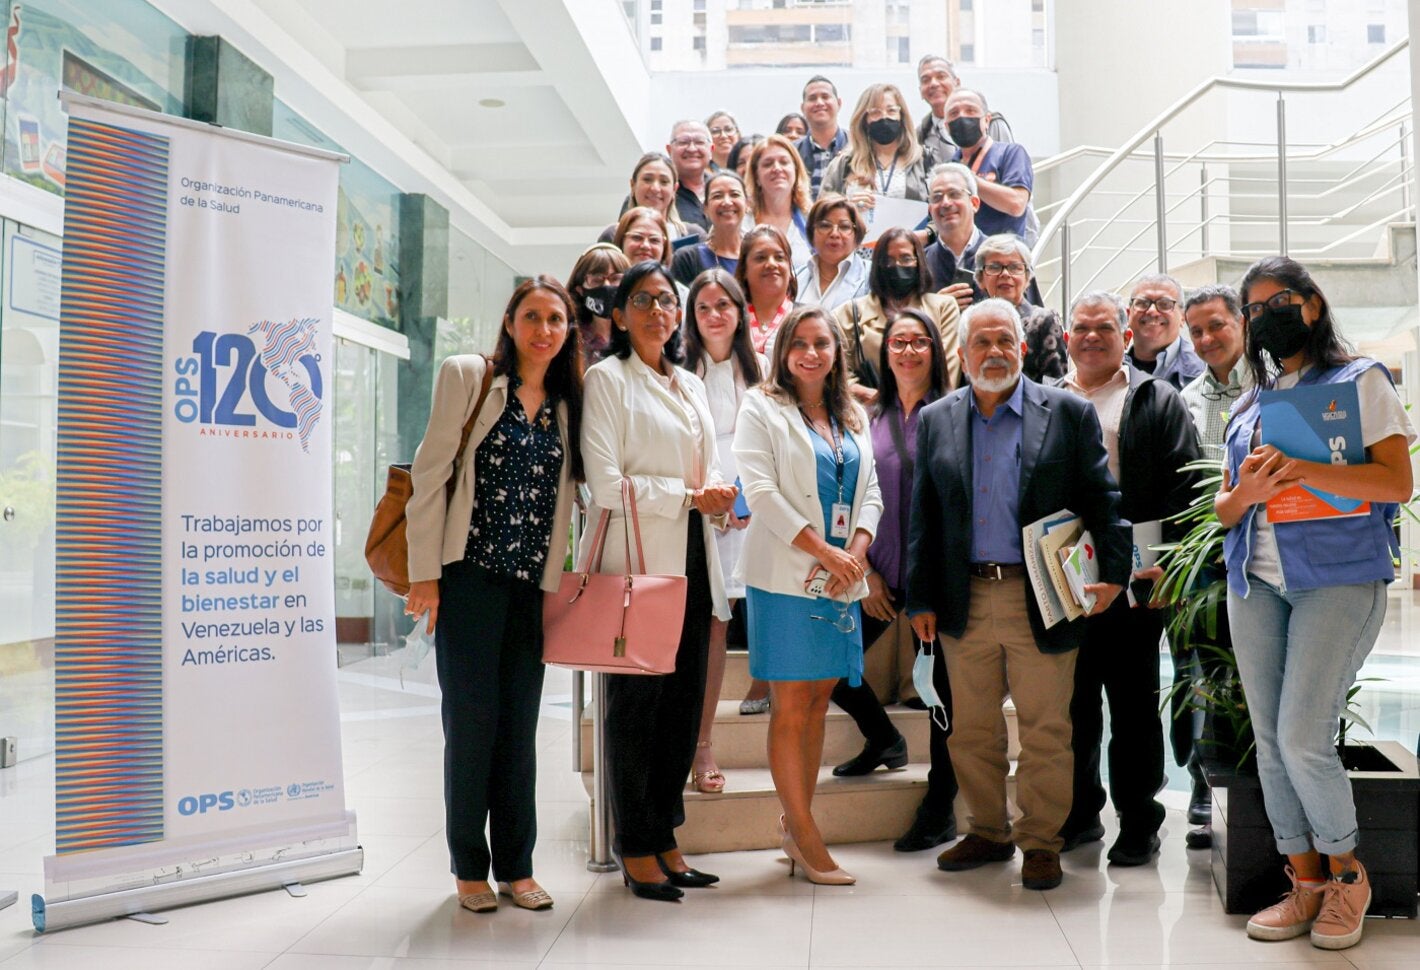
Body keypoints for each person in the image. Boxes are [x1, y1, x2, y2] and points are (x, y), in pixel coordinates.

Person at [1216, 256, 1414, 950]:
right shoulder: (1249, 405)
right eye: (1253, 307)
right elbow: (1223, 509)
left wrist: (1307, 469)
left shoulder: (1361, 380)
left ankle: (1346, 874)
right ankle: (1303, 883)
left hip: (1336, 580)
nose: (1265, 315)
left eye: (1280, 301)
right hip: (1257, 582)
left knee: (1303, 735)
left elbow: (1396, 483)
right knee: (1270, 741)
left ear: (1312, 304)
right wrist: (1245, 491)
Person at [907, 298, 1130, 891]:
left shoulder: (1068, 412)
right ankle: (986, 830)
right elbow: (923, 515)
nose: (994, 352)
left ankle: (1040, 842)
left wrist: (1114, 572)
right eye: (981, 342)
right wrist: (920, 598)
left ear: (1023, 348)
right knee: (972, 728)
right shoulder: (936, 419)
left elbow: (1102, 500)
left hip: (1045, 594)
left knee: (1046, 729)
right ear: (962, 353)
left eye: (1005, 340)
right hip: (964, 596)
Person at [405, 277, 585, 915]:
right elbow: (429, 476)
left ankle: (518, 866)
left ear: (569, 331)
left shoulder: (569, 401)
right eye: (531, 316)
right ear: (510, 323)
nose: (543, 329)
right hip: (468, 577)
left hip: (528, 588)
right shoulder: (469, 376)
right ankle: (468, 869)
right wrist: (423, 574)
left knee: (520, 730)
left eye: (555, 319)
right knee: (472, 725)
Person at [581, 260, 739, 902]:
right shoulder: (607, 380)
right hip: (639, 566)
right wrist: (687, 495)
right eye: (641, 300)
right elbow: (604, 484)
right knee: (635, 713)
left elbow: (707, 467)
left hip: (697, 560)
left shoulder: (691, 384)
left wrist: (718, 496)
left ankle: (666, 834)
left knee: (680, 710)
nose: (656, 311)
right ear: (619, 315)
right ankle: (634, 845)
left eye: (666, 301)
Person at [733, 305, 883, 885]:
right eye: (800, 342)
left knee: (819, 702)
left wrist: (859, 548)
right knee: (791, 706)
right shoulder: (761, 406)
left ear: (837, 351)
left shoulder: (852, 413)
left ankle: (796, 821)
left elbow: (871, 490)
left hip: (843, 576)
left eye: (822, 342)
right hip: (786, 577)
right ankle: (805, 836)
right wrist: (826, 552)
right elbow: (761, 492)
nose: (811, 353)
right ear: (783, 351)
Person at [1056, 290, 1202, 867]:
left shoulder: (1154, 398)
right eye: (1081, 327)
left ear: (1123, 335)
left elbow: (1186, 487)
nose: (1092, 337)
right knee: (1073, 702)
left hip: (1136, 574)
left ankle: (1139, 818)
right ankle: (1080, 812)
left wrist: (1166, 560)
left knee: (1133, 703)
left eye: (1103, 328)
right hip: (1064, 574)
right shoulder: (1046, 397)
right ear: (1067, 335)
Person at [831, 309, 962, 853]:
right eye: (898, 342)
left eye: (919, 342)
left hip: (939, 577)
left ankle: (941, 805)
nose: (908, 352)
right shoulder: (867, 418)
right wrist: (869, 574)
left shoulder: (957, 413)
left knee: (941, 698)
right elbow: (855, 498)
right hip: (879, 574)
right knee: (833, 668)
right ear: (884, 354)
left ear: (936, 350)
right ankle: (883, 738)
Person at [683, 269, 768, 793]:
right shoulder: (677, 372)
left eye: (724, 306)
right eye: (704, 307)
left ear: (740, 312)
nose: (715, 316)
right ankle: (700, 745)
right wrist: (714, 498)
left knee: (739, 619)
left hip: (753, 515)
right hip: (697, 513)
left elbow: (772, 445)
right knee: (707, 628)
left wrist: (748, 500)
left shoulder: (762, 373)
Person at [834, 226, 960, 402]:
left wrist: (913, 404)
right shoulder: (848, 313)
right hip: (869, 416)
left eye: (906, 258)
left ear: (919, 262)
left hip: (929, 412)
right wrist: (870, 396)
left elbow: (948, 373)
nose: (897, 266)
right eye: (888, 260)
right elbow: (836, 373)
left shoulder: (943, 307)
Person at [945, 89, 1033, 239]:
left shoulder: (1010, 153)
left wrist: (969, 179)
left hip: (1002, 255)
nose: (961, 117)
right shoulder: (949, 167)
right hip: (963, 256)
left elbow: (1016, 204)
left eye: (970, 110)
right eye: (954, 113)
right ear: (947, 127)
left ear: (986, 120)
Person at [821, 83, 928, 205]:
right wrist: (847, 208)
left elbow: (938, 213)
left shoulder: (923, 159)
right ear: (863, 119)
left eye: (891, 110)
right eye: (875, 112)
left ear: (902, 116)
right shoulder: (844, 163)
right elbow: (821, 213)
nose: (884, 117)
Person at [973, 233, 1060, 380]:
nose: (1005, 274)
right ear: (980, 278)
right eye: (995, 267)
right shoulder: (971, 321)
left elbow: (1056, 382)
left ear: (1027, 278)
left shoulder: (1044, 320)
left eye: (1015, 267)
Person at [914, 54, 1016, 169]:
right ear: (920, 91)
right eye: (926, 80)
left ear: (957, 83)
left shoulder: (991, 123)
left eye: (941, 76)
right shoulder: (918, 137)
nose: (934, 84)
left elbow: (1012, 173)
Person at [603, 152, 703, 246]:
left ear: (674, 189)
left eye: (664, 182)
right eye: (647, 179)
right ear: (633, 185)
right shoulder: (613, 234)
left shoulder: (693, 235)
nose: (655, 188)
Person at [1127, 274, 1206, 391]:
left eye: (1165, 304)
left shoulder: (1206, 372)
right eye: (1142, 303)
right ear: (1128, 314)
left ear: (1183, 317)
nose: (1152, 311)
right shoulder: (1110, 371)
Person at [923, 162, 985, 310]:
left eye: (954, 194)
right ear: (930, 210)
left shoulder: (1003, 257)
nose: (945, 203)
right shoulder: (919, 264)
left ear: (975, 203)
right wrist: (935, 309)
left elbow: (1029, 319)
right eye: (937, 197)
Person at [795, 193, 870, 311]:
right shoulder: (795, 277)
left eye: (844, 227)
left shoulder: (871, 276)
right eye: (825, 226)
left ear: (857, 234)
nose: (834, 234)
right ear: (811, 233)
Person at [747, 134, 814, 265]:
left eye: (784, 162)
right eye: (768, 164)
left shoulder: (813, 220)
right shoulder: (742, 223)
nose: (777, 169)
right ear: (756, 177)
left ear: (796, 170)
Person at [672, 170, 746, 287]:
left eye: (735, 194)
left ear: (747, 204)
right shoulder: (687, 258)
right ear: (705, 207)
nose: (727, 202)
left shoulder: (758, 256)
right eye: (717, 196)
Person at [737, 223, 798, 354]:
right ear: (744, 270)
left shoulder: (805, 318)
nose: (771, 264)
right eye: (761, 258)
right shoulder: (732, 318)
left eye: (779, 257)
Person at [567, 243, 630, 367]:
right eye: (597, 280)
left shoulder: (638, 335)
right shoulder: (569, 338)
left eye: (616, 278)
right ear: (580, 289)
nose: (607, 285)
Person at [794, 75, 848, 199]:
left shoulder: (856, 147)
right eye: (812, 98)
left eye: (825, 97)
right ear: (802, 108)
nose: (819, 103)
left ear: (839, 103)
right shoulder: (792, 153)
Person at [666, 119, 714, 230]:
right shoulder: (657, 194)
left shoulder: (723, 188)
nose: (692, 148)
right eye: (683, 142)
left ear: (711, 150)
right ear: (669, 150)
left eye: (699, 142)